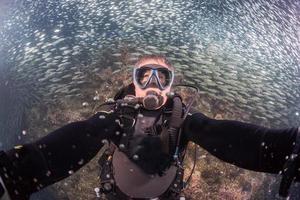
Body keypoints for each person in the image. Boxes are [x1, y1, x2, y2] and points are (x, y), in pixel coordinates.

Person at [0, 54, 299, 200]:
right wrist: (17, 172)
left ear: (169, 85)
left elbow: (220, 134)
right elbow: (84, 134)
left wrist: (285, 148)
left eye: (161, 77)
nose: (153, 84)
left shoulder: (184, 120)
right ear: (134, 82)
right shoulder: (116, 116)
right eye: (144, 75)